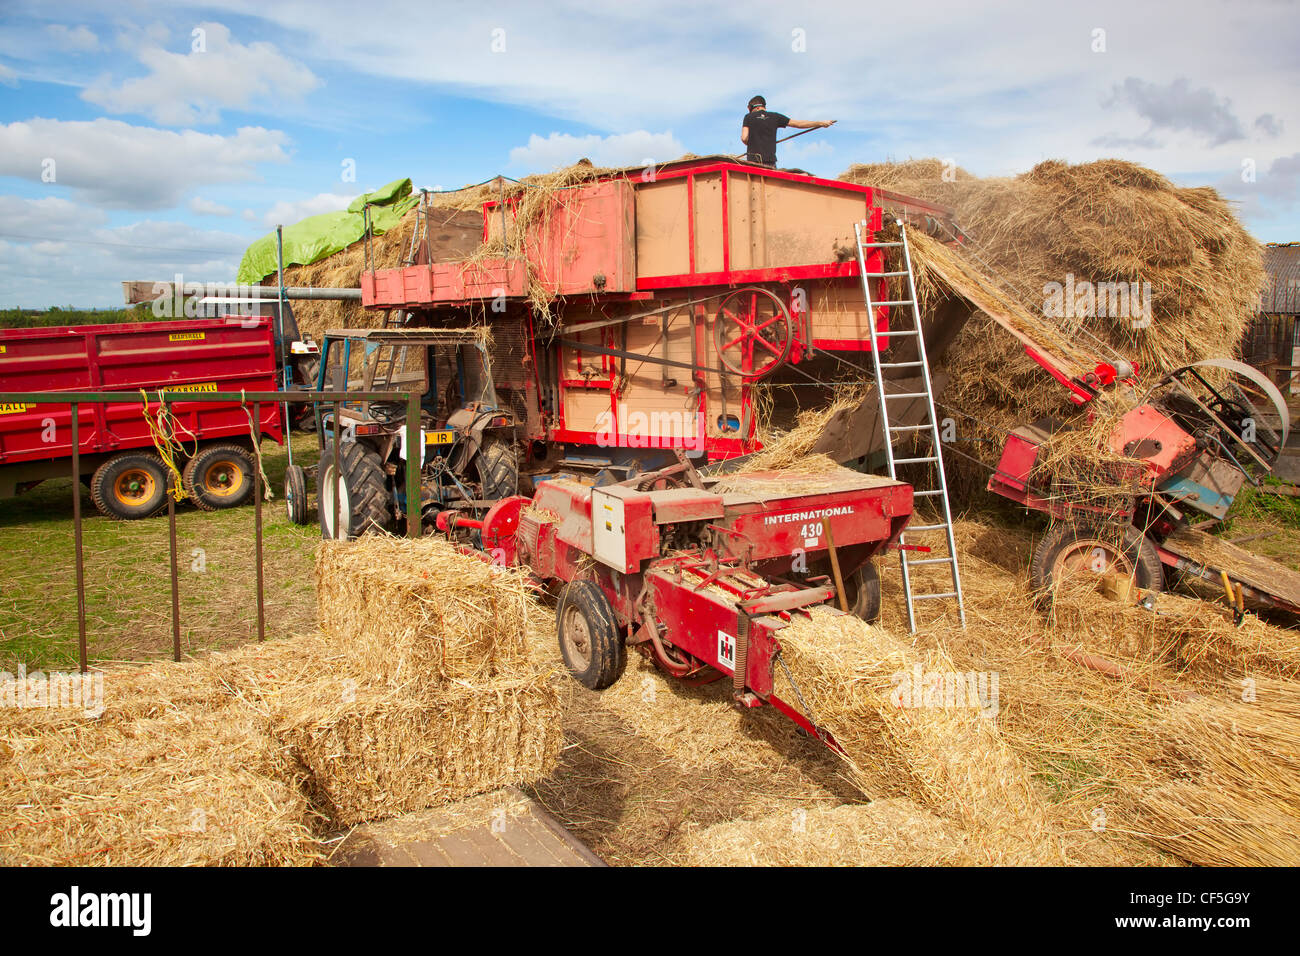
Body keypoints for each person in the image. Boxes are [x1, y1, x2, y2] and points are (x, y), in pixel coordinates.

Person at [741, 95, 835, 166]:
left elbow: (744, 137)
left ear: (755, 107)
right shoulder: (775, 116)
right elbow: (798, 124)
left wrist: (751, 143)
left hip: (753, 162)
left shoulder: (748, 117)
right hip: (770, 162)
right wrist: (820, 123)